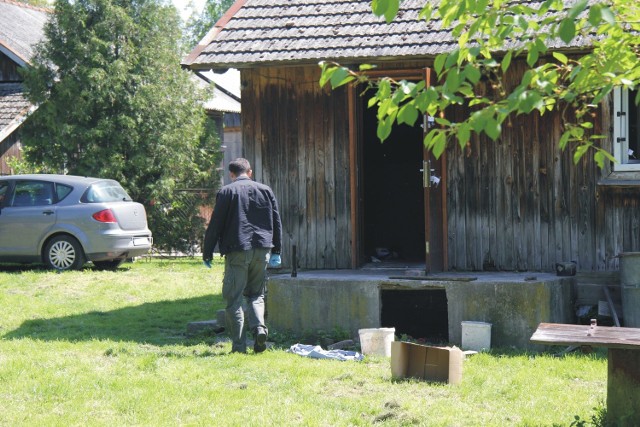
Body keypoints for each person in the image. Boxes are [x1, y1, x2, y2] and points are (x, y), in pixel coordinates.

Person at [202, 158, 282, 354]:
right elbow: (276, 220)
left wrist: (207, 252)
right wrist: (277, 250)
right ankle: (259, 329)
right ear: (250, 172)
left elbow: (216, 225)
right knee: (256, 295)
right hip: (263, 249)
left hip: (237, 249)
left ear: (231, 174)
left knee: (234, 299)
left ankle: (239, 347)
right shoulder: (266, 190)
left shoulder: (226, 192)